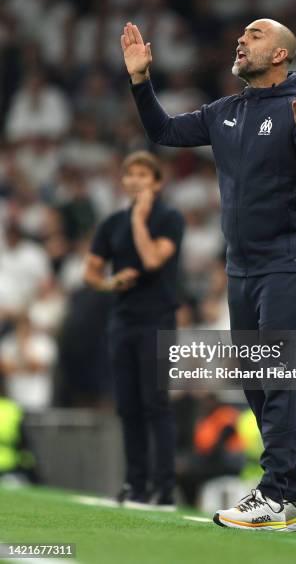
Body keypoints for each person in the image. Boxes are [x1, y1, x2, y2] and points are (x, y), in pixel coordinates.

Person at [121, 18, 296, 530]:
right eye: (242, 34)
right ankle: (294, 497)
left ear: (281, 54)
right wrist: (140, 81)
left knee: (280, 376)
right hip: (241, 267)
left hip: (288, 260)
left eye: (255, 34)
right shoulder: (225, 111)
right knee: (254, 380)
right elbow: (163, 131)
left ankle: (274, 492)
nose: (242, 40)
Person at [84, 151, 184, 509]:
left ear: (156, 182)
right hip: (122, 322)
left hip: (157, 322)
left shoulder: (169, 218)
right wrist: (110, 284)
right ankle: (135, 484)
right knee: (127, 407)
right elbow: (91, 272)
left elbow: (153, 259)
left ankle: (164, 489)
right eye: (130, 175)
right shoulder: (111, 224)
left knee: (156, 404)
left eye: (143, 174)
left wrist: (140, 219)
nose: (135, 181)